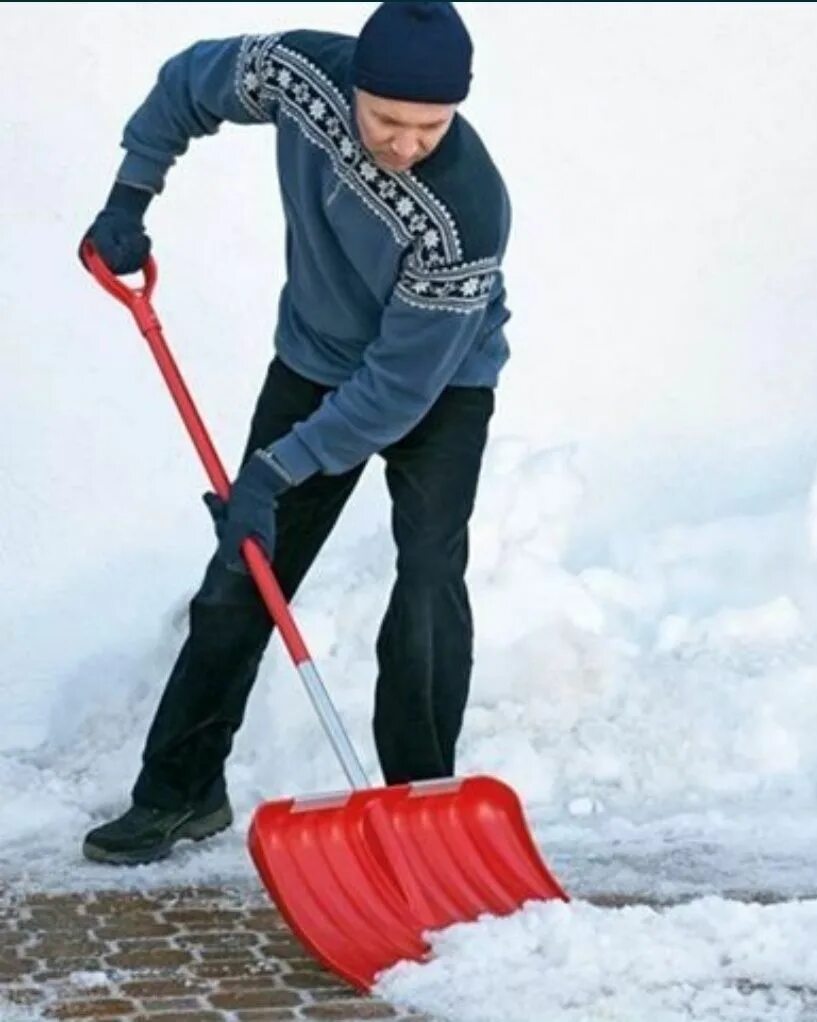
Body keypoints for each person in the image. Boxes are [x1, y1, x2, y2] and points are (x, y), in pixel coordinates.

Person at [80, 1, 511, 865]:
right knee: (244, 575)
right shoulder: (297, 74)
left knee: (429, 580)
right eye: (389, 119)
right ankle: (181, 791)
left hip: (438, 386)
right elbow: (186, 85)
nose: (405, 144)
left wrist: (273, 474)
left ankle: (421, 804)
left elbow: (395, 390)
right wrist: (132, 191)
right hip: (313, 357)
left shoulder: (465, 211)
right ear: (355, 86)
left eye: (430, 126)